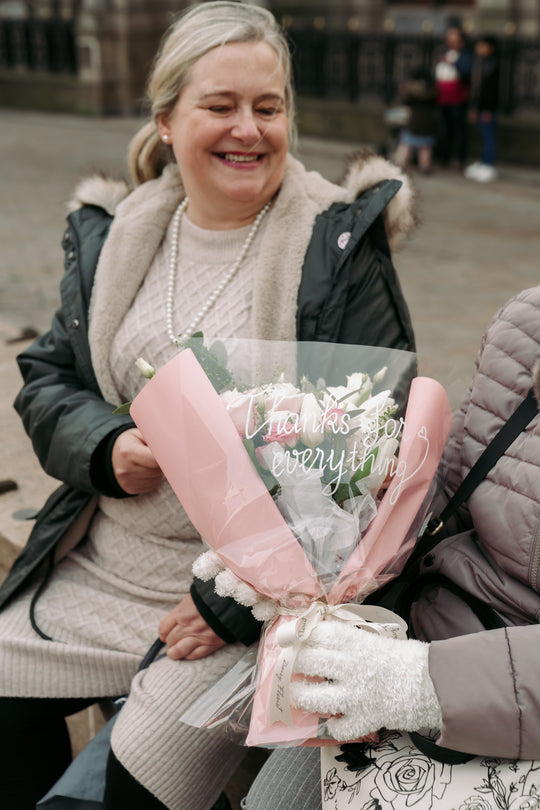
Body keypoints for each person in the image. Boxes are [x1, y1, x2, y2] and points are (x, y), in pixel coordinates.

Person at [0, 3, 417, 809]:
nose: (249, 129)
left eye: (269, 107)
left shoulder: (335, 245)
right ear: (166, 120)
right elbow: (48, 376)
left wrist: (231, 597)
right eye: (220, 106)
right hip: (101, 561)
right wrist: (105, 444)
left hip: (253, 592)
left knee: (139, 778)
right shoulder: (116, 234)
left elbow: (377, 454)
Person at [242, 284, 540, 810]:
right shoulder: (527, 325)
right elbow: (452, 491)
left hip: (476, 686)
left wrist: (422, 684)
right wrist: (319, 528)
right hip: (419, 637)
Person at [435, 24, 473, 168]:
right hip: (443, 98)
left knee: (459, 129)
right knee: (445, 128)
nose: (451, 42)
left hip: (458, 99)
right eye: (449, 39)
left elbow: (466, 74)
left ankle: (461, 158)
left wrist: (453, 64)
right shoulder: (444, 54)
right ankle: (444, 157)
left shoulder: (465, 56)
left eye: (454, 39)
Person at [465, 35, 500, 183]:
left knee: (488, 137)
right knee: (484, 136)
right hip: (481, 107)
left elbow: (491, 91)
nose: (478, 49)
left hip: (488, 109)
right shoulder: (482, 63)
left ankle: (488, 165)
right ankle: (484, 162)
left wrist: (487, 109)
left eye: (482, 46)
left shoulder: (494, 65)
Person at [393, 67, 438, 175]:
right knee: (425, 147)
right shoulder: (432, 89)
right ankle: (425, 166)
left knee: (405, 145)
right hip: (428, 122)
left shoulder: (410, 90)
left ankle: (399, 164)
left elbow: (404, 102)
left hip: (413, 121)